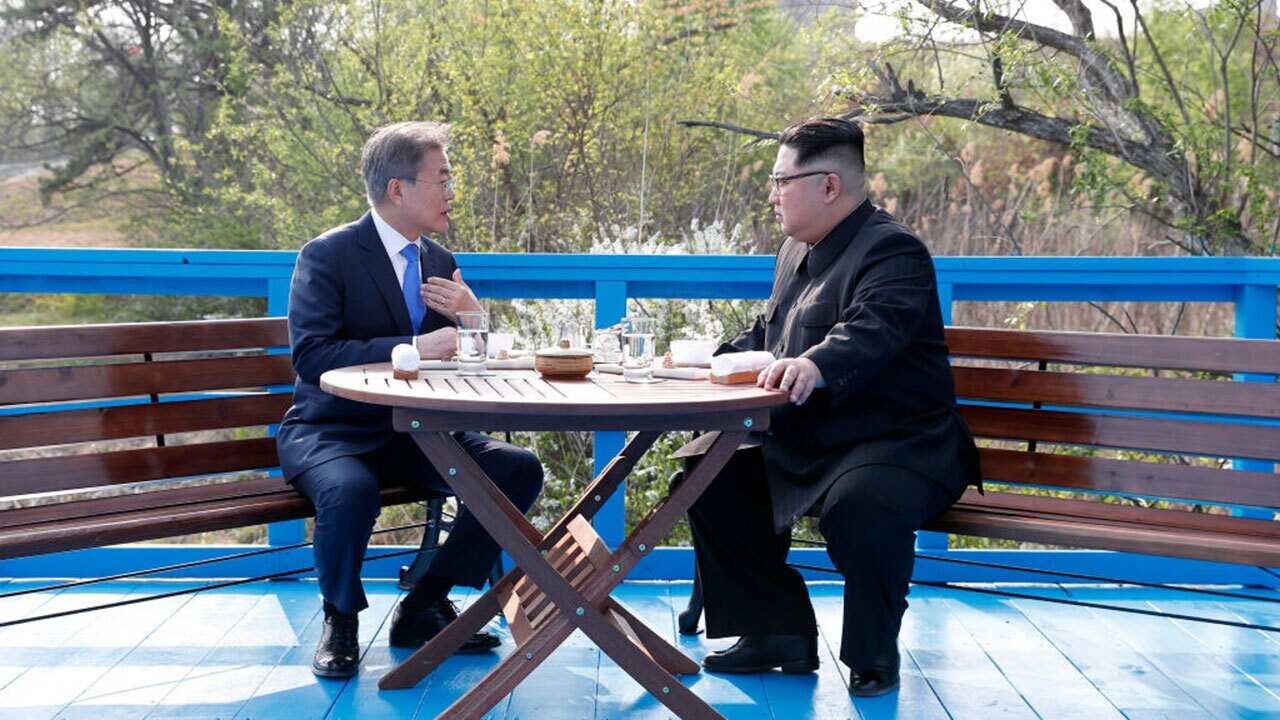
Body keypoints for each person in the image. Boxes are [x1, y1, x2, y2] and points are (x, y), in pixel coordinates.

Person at [686, 117, 980, 696]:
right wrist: (708, 360)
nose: (772, 194)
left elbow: (872, 328)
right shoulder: (796, 249)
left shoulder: (894, 250)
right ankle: (776, 631)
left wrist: (815, 364)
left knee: (861, 506)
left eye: (780, 180)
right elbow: (768, 334)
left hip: (900, 443)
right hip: (813, 438)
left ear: (828, 186)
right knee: (706, 472)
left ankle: (874, 654)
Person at [276, 121, 544, 679]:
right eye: (441, 179)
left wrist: (475, 319)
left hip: (421, 433)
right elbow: (313, 356)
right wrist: (414, 347)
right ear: (398, 189)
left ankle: (424, 604)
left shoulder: (441, 263)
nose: (452, 193)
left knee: (517, 470)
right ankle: (341, 619)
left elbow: (476, 365)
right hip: (332, 431)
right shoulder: (327, 256)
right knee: (350, 491)